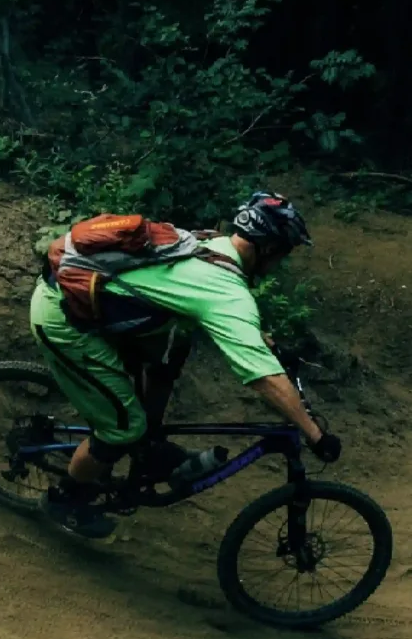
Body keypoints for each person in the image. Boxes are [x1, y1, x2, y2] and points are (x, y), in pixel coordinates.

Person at [30, 192, 342, 539]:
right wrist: (314, 434)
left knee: (164, 370)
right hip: (66, 321)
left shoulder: (211, 243)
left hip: (97, 313)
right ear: (267, 248)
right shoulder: (226, 293)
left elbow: (228, 320)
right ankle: (63, 500)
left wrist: (266, 343)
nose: (280, 262)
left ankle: (140, 451)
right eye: (283, 253)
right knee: (123, 429)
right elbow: (262, 377)